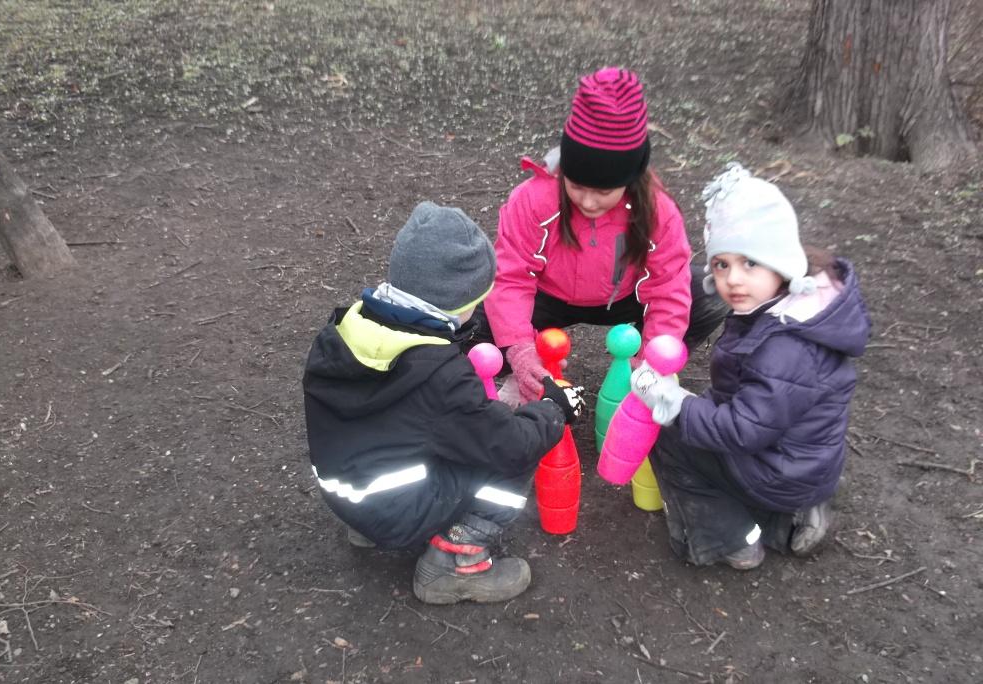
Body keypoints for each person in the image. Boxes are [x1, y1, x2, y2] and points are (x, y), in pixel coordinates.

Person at [302, 201, 586, 604]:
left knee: (432, 435)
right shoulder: (438, 374)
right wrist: (554, 409)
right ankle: (455, 563)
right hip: (393, 510)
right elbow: (508, 444)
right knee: (509, 459)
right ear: (460, 300)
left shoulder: (347, 329)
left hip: (348, 493)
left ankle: (368, 527)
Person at [632, 163, 871, 570]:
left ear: (781, 262)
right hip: (799, 460)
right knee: (696, 418)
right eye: (722, 265)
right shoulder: (791, 309)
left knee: (668, 435)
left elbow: (743, 430)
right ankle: (795, 513)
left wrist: (674, 403)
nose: (733, 280)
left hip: (776, 471)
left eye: (750, 263)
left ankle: (732, 540)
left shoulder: (785, 346)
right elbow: (752, 402)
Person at [473, 67, 727, 405]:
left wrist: (652, 358)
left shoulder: (657, 210)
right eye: (577, 186)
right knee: (476, 316)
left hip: (624, 296)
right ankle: (517, 375)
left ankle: (648, 371)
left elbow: (667, 287)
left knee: (707, 296)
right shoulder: (533, 199)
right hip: (547, 295)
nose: (589, 202)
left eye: (605, 192)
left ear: (630, 180)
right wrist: (519, 348)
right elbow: (511, 277)